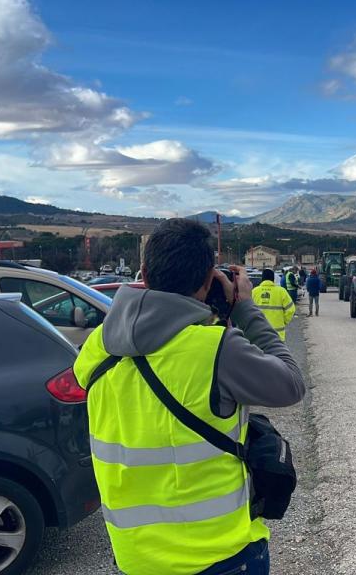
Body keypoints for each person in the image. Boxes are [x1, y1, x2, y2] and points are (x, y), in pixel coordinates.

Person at [73, 218, 305, 575]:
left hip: (136, 557)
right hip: (219, 554)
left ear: (145, 274)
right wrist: (242, 307)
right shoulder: (217, 349)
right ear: (209, 280)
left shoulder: (98, 345)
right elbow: (291, 383)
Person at [252, 268, 296, 341]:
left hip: (258, 334)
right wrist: (284, 321)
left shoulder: (254, 292)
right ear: (273, 279)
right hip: (277, 335)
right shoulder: (281, 291)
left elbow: (248, 311)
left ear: (262, 278)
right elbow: (291, 309)